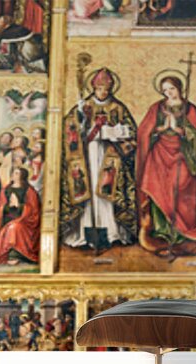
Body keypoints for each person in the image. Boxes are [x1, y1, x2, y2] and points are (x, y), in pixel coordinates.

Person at [137, 75, 196, 257]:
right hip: (159, 154)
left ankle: (180, 232)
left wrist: (182, 131)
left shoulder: (190, 109)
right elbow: (144, 131)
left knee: (178, 188)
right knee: (158, 188)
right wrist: (160, 129)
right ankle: (162, 231)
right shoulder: (157, 107)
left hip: (182, 153)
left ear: (179, 88)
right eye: (165, 90)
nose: (168, 93)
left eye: (171, 89)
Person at [61, 68, 138, 250]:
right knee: (88, 191)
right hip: (87, 156)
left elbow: (132, 132)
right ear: (94, 88)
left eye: (106, 89)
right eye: (100, 88)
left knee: (106, 192)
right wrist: (80, 121)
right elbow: (70, 130)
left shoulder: (118, 108)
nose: (103, 92)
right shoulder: (83, 106)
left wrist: (118, 133)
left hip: (110, 156)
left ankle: (111, 232)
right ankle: (85, 233)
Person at [0, 168, 41, 266]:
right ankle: (8, 254)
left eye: (16, 173)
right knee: (10, 227)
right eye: (13, 173)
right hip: (7, 219)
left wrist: (19, 206)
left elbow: (34, 210)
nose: (13, 175)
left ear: (22, 176)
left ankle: (15, 255)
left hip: (25, 222)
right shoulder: (6, 189)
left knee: (14, 227)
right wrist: (6, 207)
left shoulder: (29, 191)